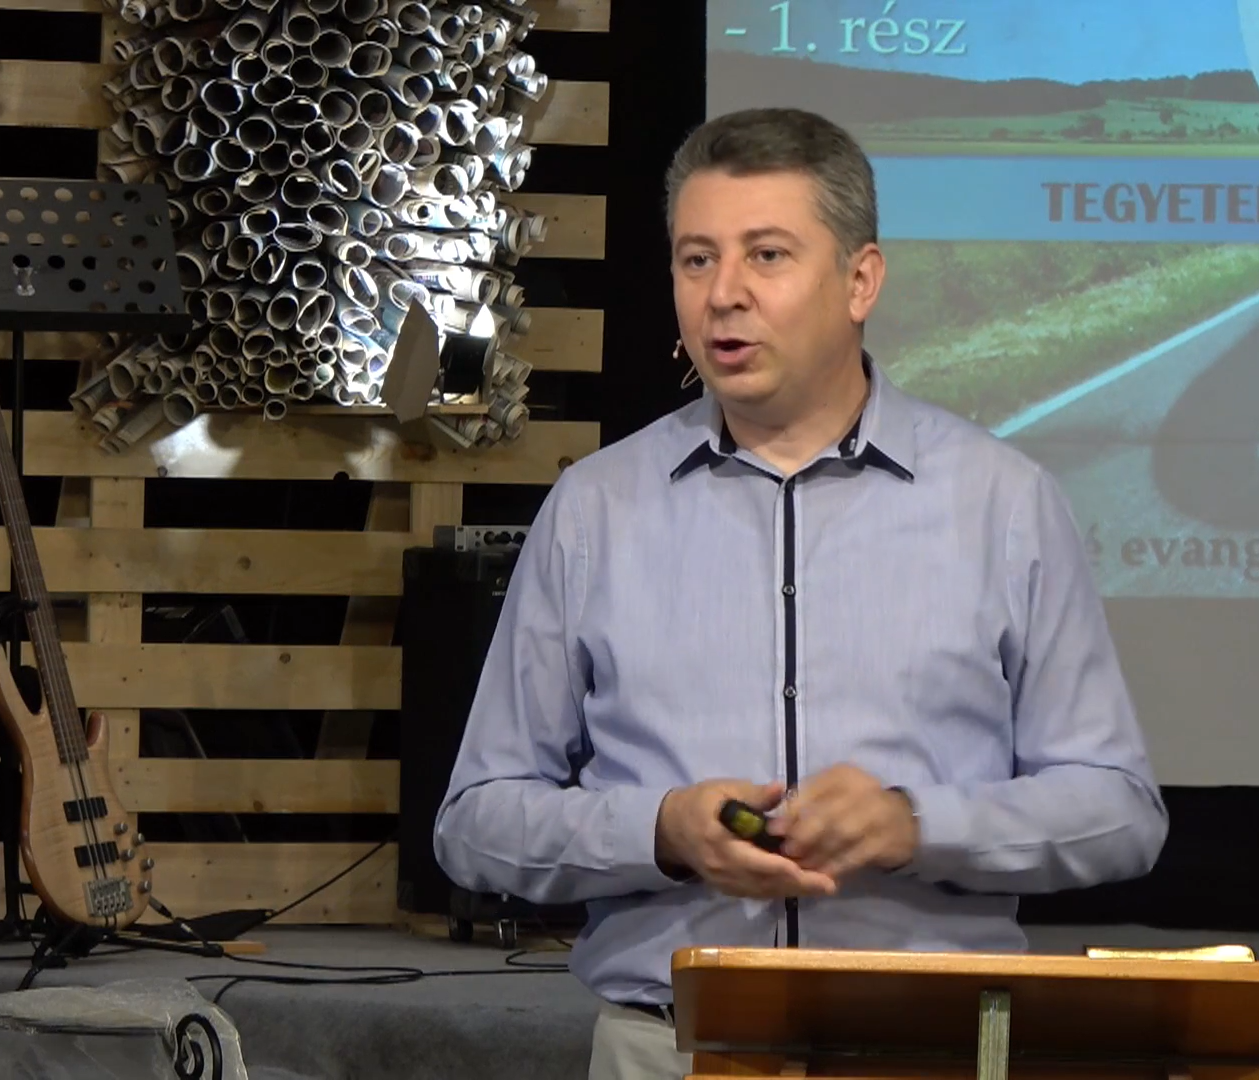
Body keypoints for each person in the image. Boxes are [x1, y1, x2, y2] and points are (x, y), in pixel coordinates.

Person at [432, 106, 1169, 1080]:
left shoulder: (1005, 503)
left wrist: (917, 824)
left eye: (767, 256)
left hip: (927, 1051)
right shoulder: (594, 510)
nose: (723, 295)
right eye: (696, 260)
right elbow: (477, 822)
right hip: (668, 1049)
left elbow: (1119, 811)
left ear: (861, 281)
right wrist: (659, 831)